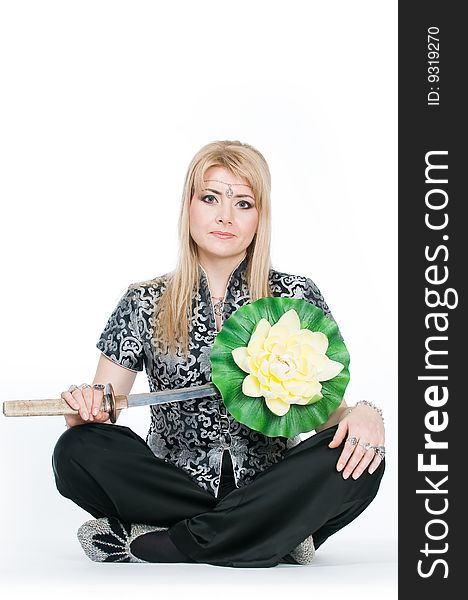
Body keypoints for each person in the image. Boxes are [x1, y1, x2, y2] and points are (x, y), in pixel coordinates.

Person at [51, 140, 385, 568]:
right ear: (189, 205)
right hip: (173, 485)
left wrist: (364, 414)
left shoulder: (295, 295)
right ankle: (276, 534)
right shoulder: (144, 301)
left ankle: (166, 541)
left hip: (271, 481)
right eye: (211, 198)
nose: (225, 216)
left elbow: (325, 415)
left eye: (243, 203)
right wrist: (83, 411)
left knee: (361, 456)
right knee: (77, 449)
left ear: (260, 217)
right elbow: (104, 407)